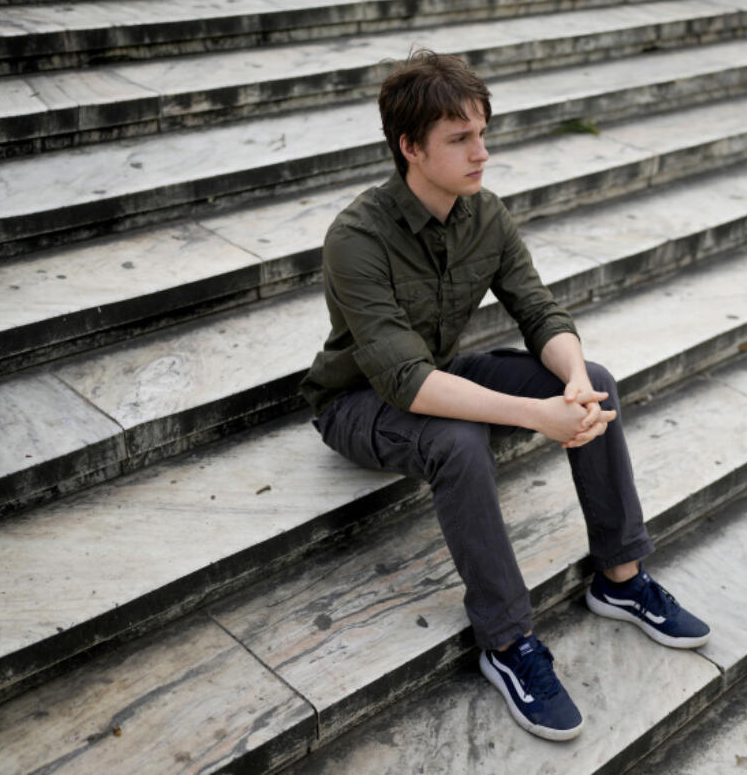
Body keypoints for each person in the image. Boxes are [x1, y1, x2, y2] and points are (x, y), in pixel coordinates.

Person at [301, 49, 710, 741]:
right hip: (359, 402)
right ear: (410, 147)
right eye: (459, 139)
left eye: (482, 133)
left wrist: (573, 384)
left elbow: (539, 311)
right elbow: (405, 382)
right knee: (458, 441)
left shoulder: (483, 213)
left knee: (598, 380)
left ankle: (620, 575)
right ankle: (508, 641)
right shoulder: (357, 237)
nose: (481, 153)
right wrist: (536, 416)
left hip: (442, 367)